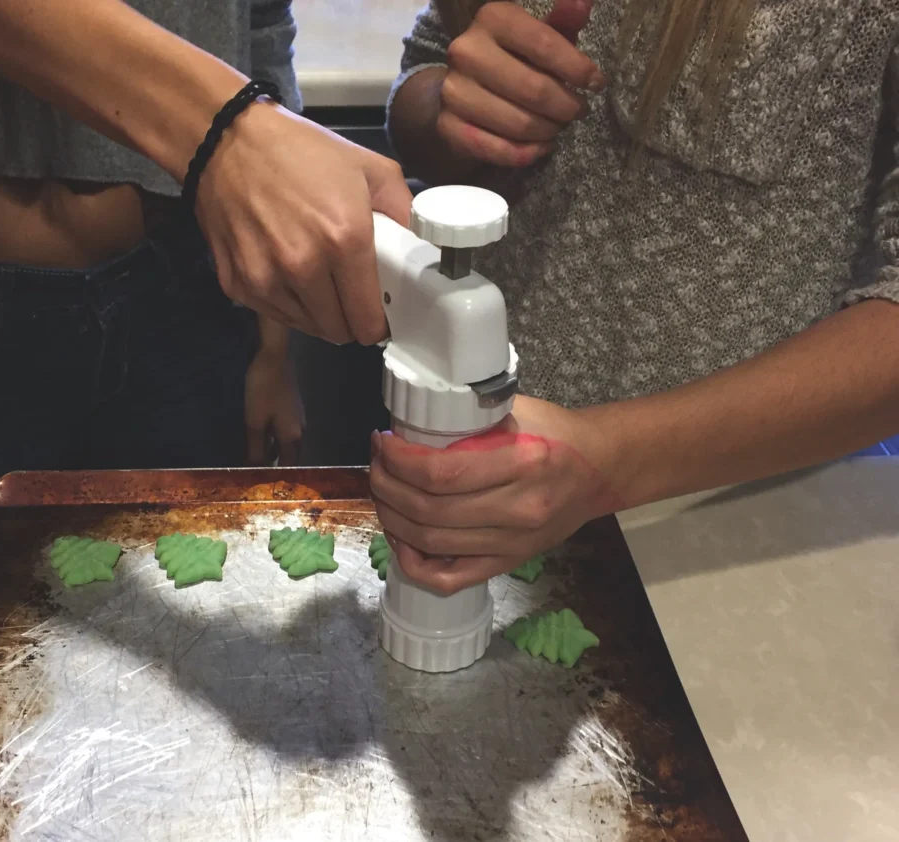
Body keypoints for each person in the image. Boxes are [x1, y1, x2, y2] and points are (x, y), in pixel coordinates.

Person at [0, 0, 411, 644]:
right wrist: (227, 127)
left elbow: (261, 28)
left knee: (200, 637)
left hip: (184, 295)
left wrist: (272, 351)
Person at [371, 0, 899, 593]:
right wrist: (453, 111)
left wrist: (606, 460)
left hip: (722, 537)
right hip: (470, 499)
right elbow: (427, 75)